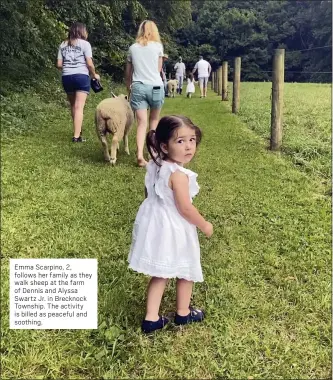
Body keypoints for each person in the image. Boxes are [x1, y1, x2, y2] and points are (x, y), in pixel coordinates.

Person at [128, 115, 213, 333]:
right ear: (164, 146)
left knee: (161, 272)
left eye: (192, 140)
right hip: (176, 226)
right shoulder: (178, 175)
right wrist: (204, 224)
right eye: (180, 141)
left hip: (157, 224)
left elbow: (150, 192)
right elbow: (185, 208)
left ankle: (151, 318)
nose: (188, 147)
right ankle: (183, 313)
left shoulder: (156, 165)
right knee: (186, 268)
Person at [125, 20, 165, 167]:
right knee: (154, 120)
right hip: (155, 86)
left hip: (139, 87)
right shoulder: (158, 47)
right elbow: (159, 69)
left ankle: (140, 156)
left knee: (142, 123)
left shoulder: (132, 48)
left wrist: (128, 87)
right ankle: (153, 152)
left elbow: (128, 72)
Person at [57, 22, 100, 142]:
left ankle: (77, 130)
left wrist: (69, 67)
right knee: (79, 106)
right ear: (82, 31)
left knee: (73, 105)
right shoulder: (85, 44)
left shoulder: (63, 44)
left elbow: (59, 64)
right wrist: (94, 75)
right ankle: (76, 137)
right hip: (81, 76)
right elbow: (89, 64)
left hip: (67, 77)